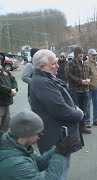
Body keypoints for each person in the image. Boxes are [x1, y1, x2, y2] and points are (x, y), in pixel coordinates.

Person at [30, 49, 84, 179]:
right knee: (57, 171)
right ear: (42, 67)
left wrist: (74, 107)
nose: (58, 66)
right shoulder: (43, 83)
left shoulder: (45, 79)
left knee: (61, 168)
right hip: (55, 137)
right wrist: (79, 114)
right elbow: (61, 110)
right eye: (53, 64)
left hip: (58, 135)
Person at [0, 110, 79, 180]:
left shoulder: (15, 144)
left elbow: (38, 163)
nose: (40, 136)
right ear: (27, 133)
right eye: (38, 134)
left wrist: (57, 149)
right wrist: (59, 156)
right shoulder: (16, 164)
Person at [65, 46, 92, 134]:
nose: (81, 54)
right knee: (75, 110)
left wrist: (89, 79)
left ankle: (82, 127)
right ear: (76, 54)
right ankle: (75, 129)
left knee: (84, 110)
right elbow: (69, 76)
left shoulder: (84, 63)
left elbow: (90, 73)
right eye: (80, 53)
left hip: (85, 91)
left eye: (82, 53)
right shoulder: (70, 63)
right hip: (75, 91)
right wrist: (81, 81)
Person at [84, 49, 97, 127]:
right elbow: (85, 75)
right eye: (93, 55)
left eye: (95, 55)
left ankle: (96, 120)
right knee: (87, 105)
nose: (94, 56)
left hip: (96, 87)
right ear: (88, 55)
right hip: (89, 88)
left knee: (96, 105)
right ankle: (87, 121)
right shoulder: (85, 64)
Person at [0, 54, 18, 132]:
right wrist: (9, 91)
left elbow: (12, 79)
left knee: (5, 126)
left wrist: (14, 88)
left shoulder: (3, 69)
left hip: (6, 101)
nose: (0, 61)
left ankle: (3, 143)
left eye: (1, 59)